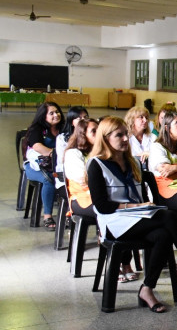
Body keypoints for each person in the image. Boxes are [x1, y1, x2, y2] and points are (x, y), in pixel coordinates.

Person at [88, 117, 177, 313]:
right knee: (169, 217)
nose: (124, 139)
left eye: (125, 134)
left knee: (164, 234)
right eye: (118, 135)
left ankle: (147, 289)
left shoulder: (133, 163)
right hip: (114, 222)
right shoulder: (96, 164)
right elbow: (102, 206)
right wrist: (134, 206)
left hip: (138, 218)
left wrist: (146, 206)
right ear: (105, 139)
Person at [64, 118, 141, 282]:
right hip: (82, 199)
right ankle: (114, 261)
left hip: (102, 195)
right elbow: (81, 178)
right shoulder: (76, 154)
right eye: (93, 131)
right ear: (82, 135)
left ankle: (125, 262)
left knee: (122, 209)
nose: (97, 133)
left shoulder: (110, 155)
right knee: (107, 211)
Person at [24, 102, 64, 230]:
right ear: (44, 116)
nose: (56, 115)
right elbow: (37, 146)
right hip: (35, 166)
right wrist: (57, 153)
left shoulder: (63, 128)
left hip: (56, 164)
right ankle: (47, 215)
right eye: (51, 113)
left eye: (57, 112)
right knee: (49, 179)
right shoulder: (37, 128)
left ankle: (68, 213)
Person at [55, 106, 89, 186]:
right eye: (79, 118)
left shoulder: (90, 135)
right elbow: (62, 161)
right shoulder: (62, 138)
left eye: (86, 117)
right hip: (69, 175)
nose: (84, 120)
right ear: (71, 122)